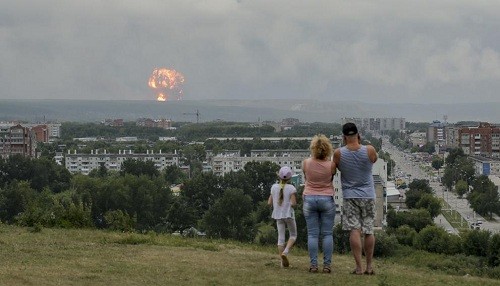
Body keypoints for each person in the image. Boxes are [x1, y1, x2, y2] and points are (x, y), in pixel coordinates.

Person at [333, 122, 378, 275]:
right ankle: (369, 266)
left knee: (354, 230)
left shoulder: (338, 153)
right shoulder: (370, 150)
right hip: (368, 195)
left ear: (344, 137)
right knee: (369, 230)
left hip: (350, 196)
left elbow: (335, 168)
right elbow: (374, 160)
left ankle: (358, 267)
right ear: (358, 135)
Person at [302, 134, 336, 273]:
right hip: (327, 198)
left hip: (309, 198)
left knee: (312, 234)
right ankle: (327, 265)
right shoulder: (331, 165)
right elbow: (331, 178)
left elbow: (306, 176)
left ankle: (313, 265)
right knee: (327, 234)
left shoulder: (306, 163)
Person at [268, 166, 297, 268]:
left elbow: (269, 202)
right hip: (288, 214)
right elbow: (293, 203)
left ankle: (282, 263)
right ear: (289, 178)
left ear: (279, 176)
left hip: (278, 215)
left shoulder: (273, 187)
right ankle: (286, 252)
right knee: (293, 235)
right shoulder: (292, 188)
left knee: (281, 238)